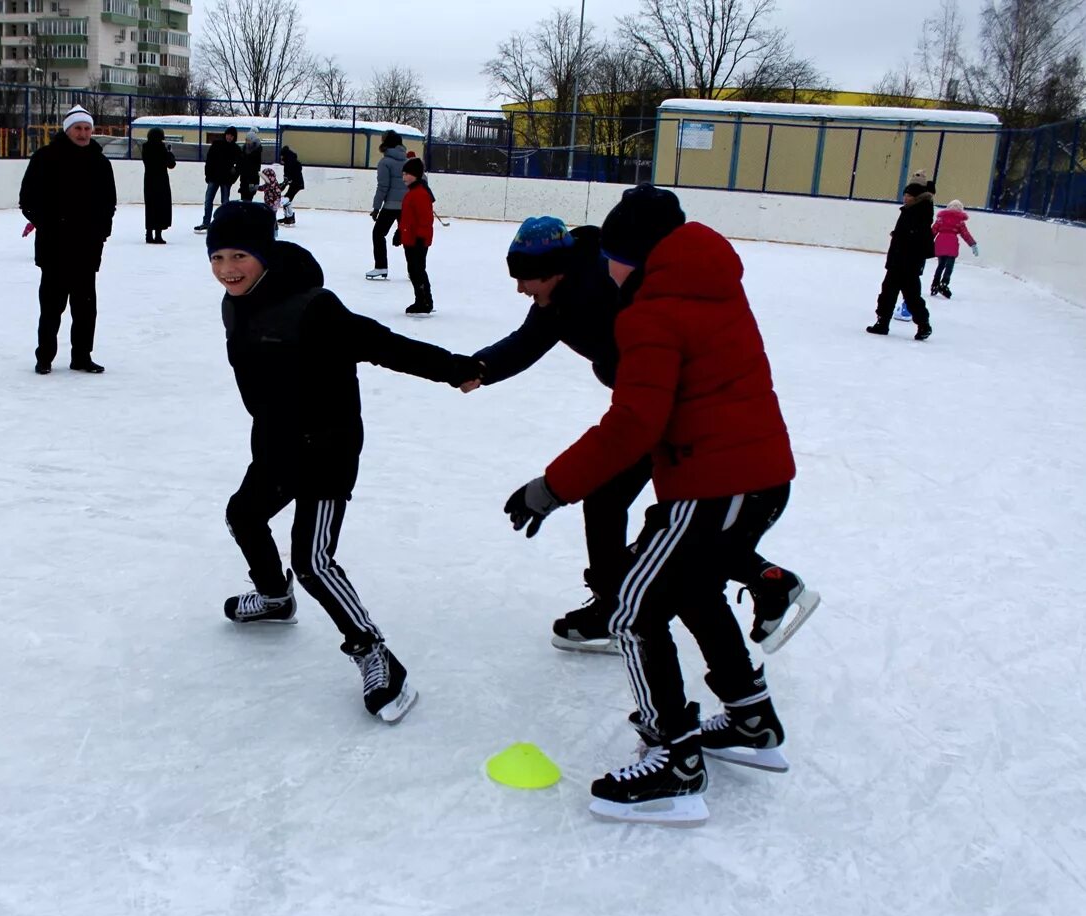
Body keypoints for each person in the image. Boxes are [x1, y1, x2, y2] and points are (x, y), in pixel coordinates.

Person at [502, 185, 800, 825]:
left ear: (631, 257)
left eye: (610, 256)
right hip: (749, 474)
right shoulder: (707, 286)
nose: (605, 270)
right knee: (691, 592)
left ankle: (675, 761)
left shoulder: (651, 312)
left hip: (716, 482)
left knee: (634, 609)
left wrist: (551, 487)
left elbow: (634, 423)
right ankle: (751, 720)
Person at [467, 216, 816, 655]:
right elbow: (526, 340)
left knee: (658, 523)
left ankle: (620, 611)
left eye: (526, 279)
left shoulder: (608, 288)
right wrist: (481, 368)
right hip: (651, 407)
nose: (521, 289)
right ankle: (766, 581)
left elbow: (660, 343)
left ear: (556, 269)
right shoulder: (559, 296)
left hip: (664, 413)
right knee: (629, 510)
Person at [207, 201, 484, 723]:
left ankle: (375, 653)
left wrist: (454, 370)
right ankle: (273, 597)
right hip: (274, 443)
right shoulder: (235, 303)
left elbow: (383, 345)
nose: (227, 269)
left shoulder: (314, 308)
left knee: (312, 561)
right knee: (243, 514)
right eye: (217, 257)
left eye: (239, 255)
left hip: (326, 449)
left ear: (265, 254)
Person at [19, 105, 116, 375]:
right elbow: (27, 199)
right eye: (78, 128)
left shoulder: (100, 162)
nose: (83, 133)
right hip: (55, 247)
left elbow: (109, 202)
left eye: (87, 128)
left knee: (85, 308)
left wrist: (102, 232)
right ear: (67, 130)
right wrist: (50, 224)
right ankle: (45, 357)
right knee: (51, 307)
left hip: (87, 247)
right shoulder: (46, 158)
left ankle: (82, 356)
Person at [867, 179, 935, 341]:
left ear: (916, 197)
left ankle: (923, 325)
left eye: (908, 195)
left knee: (907, 295)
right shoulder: (911, 210)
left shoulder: (919, 212)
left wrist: (901, 238)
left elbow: (919, 237)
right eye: (905, 194)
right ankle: (884, 323)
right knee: (892, 293)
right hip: (901, 260)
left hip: (907, 262)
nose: (905, 197)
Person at [366, 131, 409, 279]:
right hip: (406, 206)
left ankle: (381, 267)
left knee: (378, 234)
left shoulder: (385, 162)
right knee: (408, 238)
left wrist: (376, 207)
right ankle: (414, 270)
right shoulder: (408, 161)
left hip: (391, 206)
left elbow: (383, 187)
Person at [396, 155, 435, 316]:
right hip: (410, 239)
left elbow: (425, 220)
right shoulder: (412, 192)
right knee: (413, 270)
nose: (404, 177)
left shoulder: (419, 194)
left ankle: (425, 301)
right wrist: (399, 232)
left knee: (418, 270)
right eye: (403, 174)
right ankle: (420, 299)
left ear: (416, 175)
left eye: (407, 174)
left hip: (418, 240)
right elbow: (407, 218)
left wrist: (420, 238)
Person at [194, 126, 241, 232]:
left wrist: (232, 178)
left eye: (232, 136)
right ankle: (206, 222)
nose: (229, 137)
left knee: (225, 203)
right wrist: (208, 175)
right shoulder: (217, 145)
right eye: (228, 134)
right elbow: (209, 160)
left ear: (234, 137)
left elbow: (239, 166)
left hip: (226, 180)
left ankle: (224, 224)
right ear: (225, 134)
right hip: (213, 178)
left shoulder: (236, 149)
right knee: (208, 200)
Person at [930, 199, 978, 298]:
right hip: (952, 243)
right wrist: (972, 244)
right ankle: (944, 283)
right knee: (949, 266)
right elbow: (965, 234)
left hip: (941, 242)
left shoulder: (941, 219)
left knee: (941, 265)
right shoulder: (959, 221)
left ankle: (935, 283)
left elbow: (933, 231)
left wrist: (926, 242)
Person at [142, 126, 176, 244]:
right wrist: (170, 153)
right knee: (160, 207)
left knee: (150, 207)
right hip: (161, 181)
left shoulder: (145, 147)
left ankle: (149, 234)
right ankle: (158, 234)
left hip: (149, 180)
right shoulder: (161, 148)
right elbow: (171, 164)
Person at [279, 143, 305, 227]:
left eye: (281, 156)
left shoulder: (289, 163)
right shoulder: (291, 161)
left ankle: (289, 218)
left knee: (286, 199)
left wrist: (284, 184)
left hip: (296, 184)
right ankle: (288, 217)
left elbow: (288, 176)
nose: (281, 158)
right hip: (296, 184)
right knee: (287, 198)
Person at [236, 129, 264, 202]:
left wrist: (253, 183)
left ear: (252, 140)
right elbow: (240, 163)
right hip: (244, 179)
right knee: (244, 199)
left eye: (248, 140)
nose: (246, 141)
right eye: (246, 139)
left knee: (249, 199)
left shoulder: (257, 152)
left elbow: (256, 168)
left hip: (252, 180)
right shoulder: (243, 149)